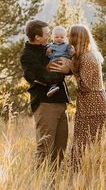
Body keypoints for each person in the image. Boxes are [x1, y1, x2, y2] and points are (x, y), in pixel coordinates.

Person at [51, 25, 106, 167]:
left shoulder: (87, 57)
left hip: (93, 103)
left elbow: (85, 86)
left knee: (88, 140)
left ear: (76, 38)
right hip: (88, 102)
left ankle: (84, 171)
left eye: (70, 35)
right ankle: (80, 171)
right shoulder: (83, 55)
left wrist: (71, 69)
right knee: (83, 138)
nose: (67, 39)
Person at [20, 20, 69, 167]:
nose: (49, 36)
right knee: (45, 148)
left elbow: (66, 64)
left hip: (60, 102)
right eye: (47, 34)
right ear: (37, 37)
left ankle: (54, 185)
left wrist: (65, 68)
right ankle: (38, 186)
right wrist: (62, 72)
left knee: (60, 148)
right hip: (45, 104)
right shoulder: (27, 55)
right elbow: (44, 78)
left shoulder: (48, 48)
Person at [44, 26, 74, 97]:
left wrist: (72, 52)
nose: (59, 39)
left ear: (65, 38)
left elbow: (70, 54)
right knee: (48, 71)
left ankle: (53, 86)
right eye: (56, 37)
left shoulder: (67, 45)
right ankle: (52, 87)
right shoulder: (50, 46)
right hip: (53, 62)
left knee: (56, 73)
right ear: (52, 37)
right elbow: (49, 57)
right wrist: (48, 52)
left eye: (62, 37)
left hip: (63, 61)